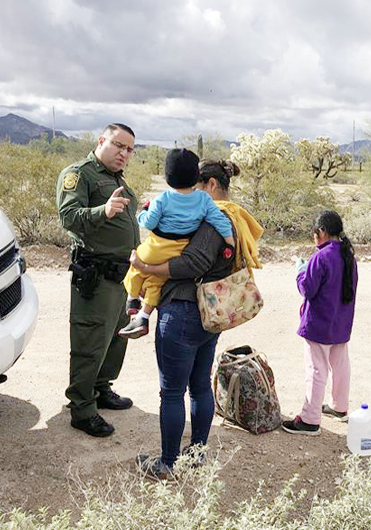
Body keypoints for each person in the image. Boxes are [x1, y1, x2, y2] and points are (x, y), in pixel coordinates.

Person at [130, 159, 263, 479]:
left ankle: (167, 464)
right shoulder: (234, 217)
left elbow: (194, 262)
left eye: (195, 187)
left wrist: (147, 269)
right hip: (207, 314)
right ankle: (197, 453)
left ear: (212, 185)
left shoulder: (212, 219)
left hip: (183, 312)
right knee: (199, 385)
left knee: (172, 392)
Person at [56, 123, 140, 437]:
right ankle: (81, 408)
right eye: (119, 145)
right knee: (90, 344)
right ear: (101, 140)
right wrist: (102, 211)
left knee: (115, 339)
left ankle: (102, 389)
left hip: (121, 277)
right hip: (96, 276)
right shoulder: (80, 174)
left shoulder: (116, 179)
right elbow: (68, 217)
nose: (124, 153)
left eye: (130, 149)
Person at [118, 149, 235, 339]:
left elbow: (148, 223)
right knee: (156, 281)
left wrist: (143, 212)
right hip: (179, 249)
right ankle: (144, 315)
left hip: (156, 248)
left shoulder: (162, 198)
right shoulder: (205, 200)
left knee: (136, 266)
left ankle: (132, 300)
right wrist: (230, 243)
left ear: (168, 177)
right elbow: (220, 222)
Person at [282, 210, 358, 436]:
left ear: (321, 232)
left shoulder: (320, 258)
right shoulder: (348, 256)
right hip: (341, 322)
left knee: (316, 369)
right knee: (340, 364)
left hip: (319, 323)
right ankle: (339, 407)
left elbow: (307, 289)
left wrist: (300, 271)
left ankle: (310, 419)